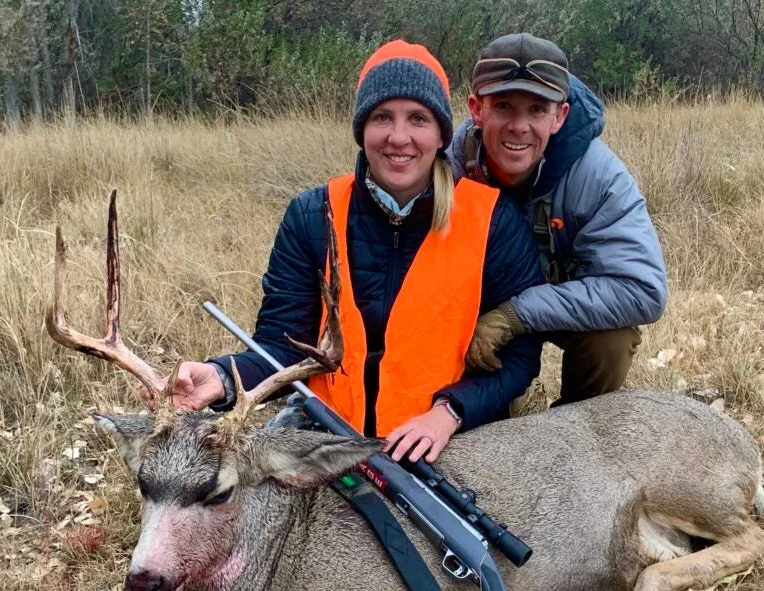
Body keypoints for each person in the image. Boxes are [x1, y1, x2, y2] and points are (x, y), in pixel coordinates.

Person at [160, 40, 544, 463]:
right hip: (328, 430)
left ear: (440, 135)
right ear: (362, 130)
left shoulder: (492, 219)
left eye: (418, 118)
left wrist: (449, 412)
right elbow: (283, 346)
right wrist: (220, 378)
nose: (399, 138)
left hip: (446, 436)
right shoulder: (313, 214)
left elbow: (519, 358)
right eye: (382, 117)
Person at [449, 33, 667, 406]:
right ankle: (486, 408)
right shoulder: (449, 167)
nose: (519, 126)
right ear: (476, 109)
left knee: (610, 341)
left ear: (559, 115)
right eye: (503, 106)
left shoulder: (599, 176)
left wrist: (514, 316)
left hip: (554, 304)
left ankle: (578, 428)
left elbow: (642, 290)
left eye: (536, 109)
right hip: (479, 307)